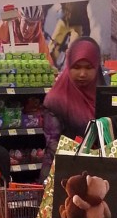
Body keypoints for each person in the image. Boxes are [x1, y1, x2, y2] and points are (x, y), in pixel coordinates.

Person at [40, 36, 103, 180]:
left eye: (89, 67)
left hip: (97, 175)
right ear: (68, 66)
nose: (82, 74)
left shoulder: (104, 98)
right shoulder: (56, 100)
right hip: (62, 173)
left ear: (97, 67)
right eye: (76, 67)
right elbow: (53, 143)